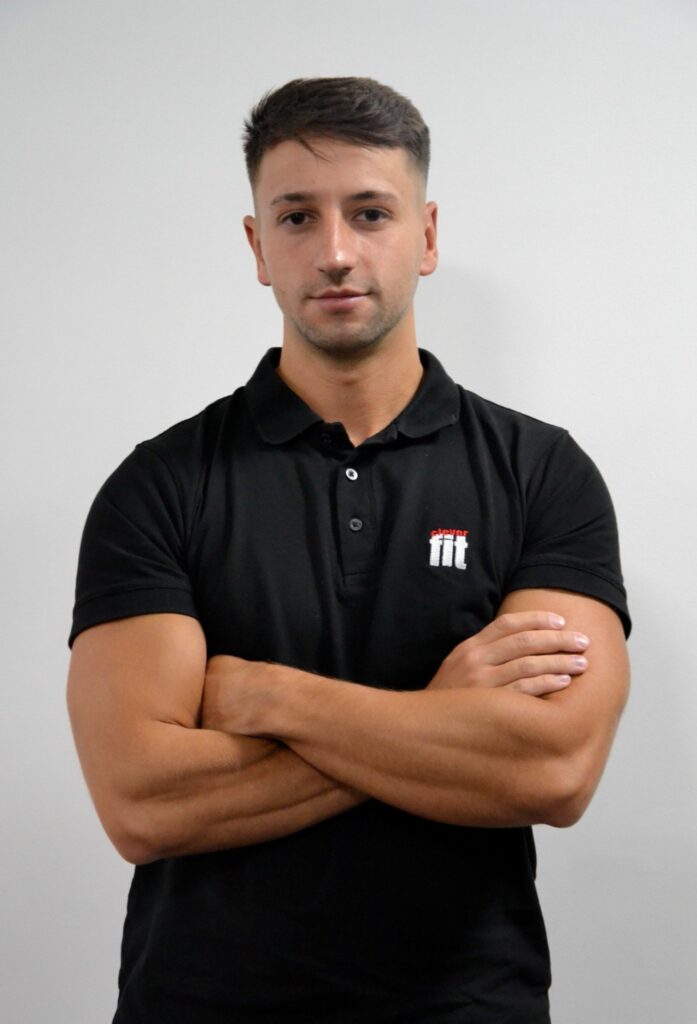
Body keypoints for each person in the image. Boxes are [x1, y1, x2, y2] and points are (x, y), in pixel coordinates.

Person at [66, 77, 631, 1024]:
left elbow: (551, 773)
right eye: (296, 217)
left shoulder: (541, 473)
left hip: (465, 1003)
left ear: (426, 236)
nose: (334, 252)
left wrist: (270, 697)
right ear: (258, 246)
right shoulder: (160, 484)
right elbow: (141, 804)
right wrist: (441, 720)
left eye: (370, 212)